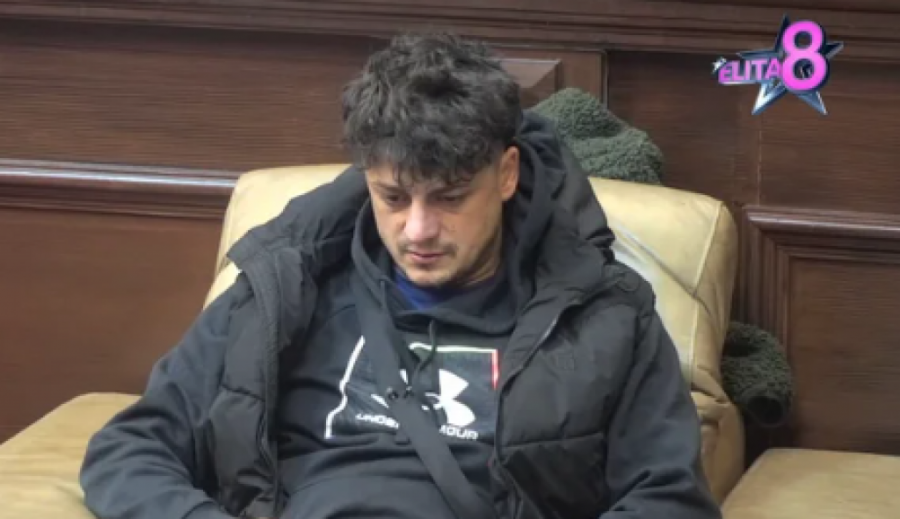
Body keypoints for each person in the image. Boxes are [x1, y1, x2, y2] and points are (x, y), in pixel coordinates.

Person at [80, 33, 721, 519]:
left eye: (449, 197)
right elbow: (132, 448)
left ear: (505, 174)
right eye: (392, 197)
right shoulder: (283, 287)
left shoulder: (606, 315)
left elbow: (669, 500)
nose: (417, 231)